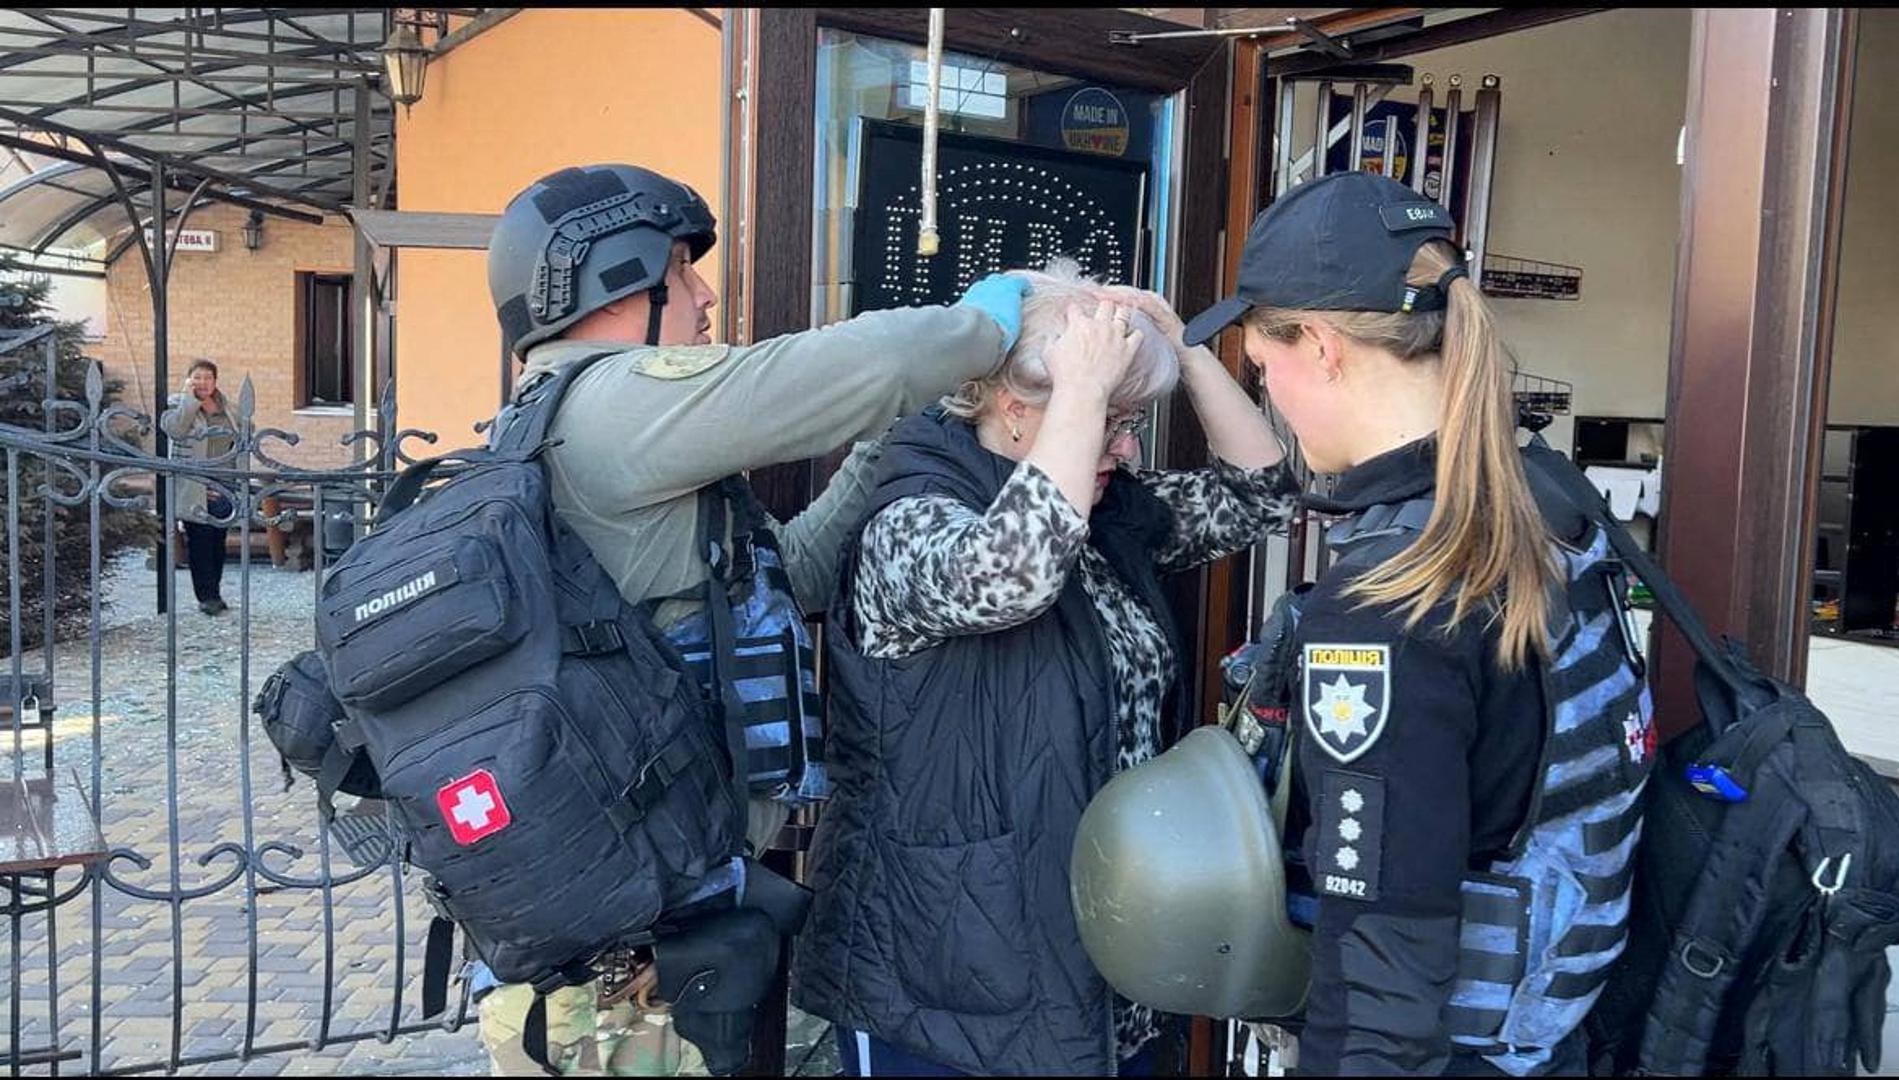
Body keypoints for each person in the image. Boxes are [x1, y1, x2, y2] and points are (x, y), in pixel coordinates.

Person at [470, 163, 1025, 1077]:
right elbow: (862, 362)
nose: (703, 294)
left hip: (634, 932)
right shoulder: (616, 402)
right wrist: (990, 322)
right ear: (613, 284)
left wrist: (887, 435)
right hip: (625, 983)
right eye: (681, 272)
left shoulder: (548, 422)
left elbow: (791, 575)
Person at [1180, 170, 1650, 1075]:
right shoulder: (1545, 498)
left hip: (1456, 1050)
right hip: (1558, 1034)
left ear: (1318, 345)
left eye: (1261, 362)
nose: (1268, 389)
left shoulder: (1391, 602)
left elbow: (1384, 957)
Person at [792, 259, 1300, 1076]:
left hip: (1101, 961)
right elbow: (1011, 576)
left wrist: (1187, 347)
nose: (1127, 445)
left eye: (1132, 417)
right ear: (1011, 405)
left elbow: (1264, 495)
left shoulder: (1107, 515)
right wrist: (1080, 399)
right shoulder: (909, 514)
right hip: (950, 979)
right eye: (1114, 417)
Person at [162, 358, 235, 615]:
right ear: (189, 379)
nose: (203, 382)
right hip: (194, 485)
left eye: (208, 377)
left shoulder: (227, 408)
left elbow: (245, 435)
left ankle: (215, 590)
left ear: (215, 382)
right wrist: (189, 399)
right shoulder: (177, 404)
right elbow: (176, 429)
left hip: (224, 483)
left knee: (218, 541)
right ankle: (206, 597)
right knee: (200, 541)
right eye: (197, 377)